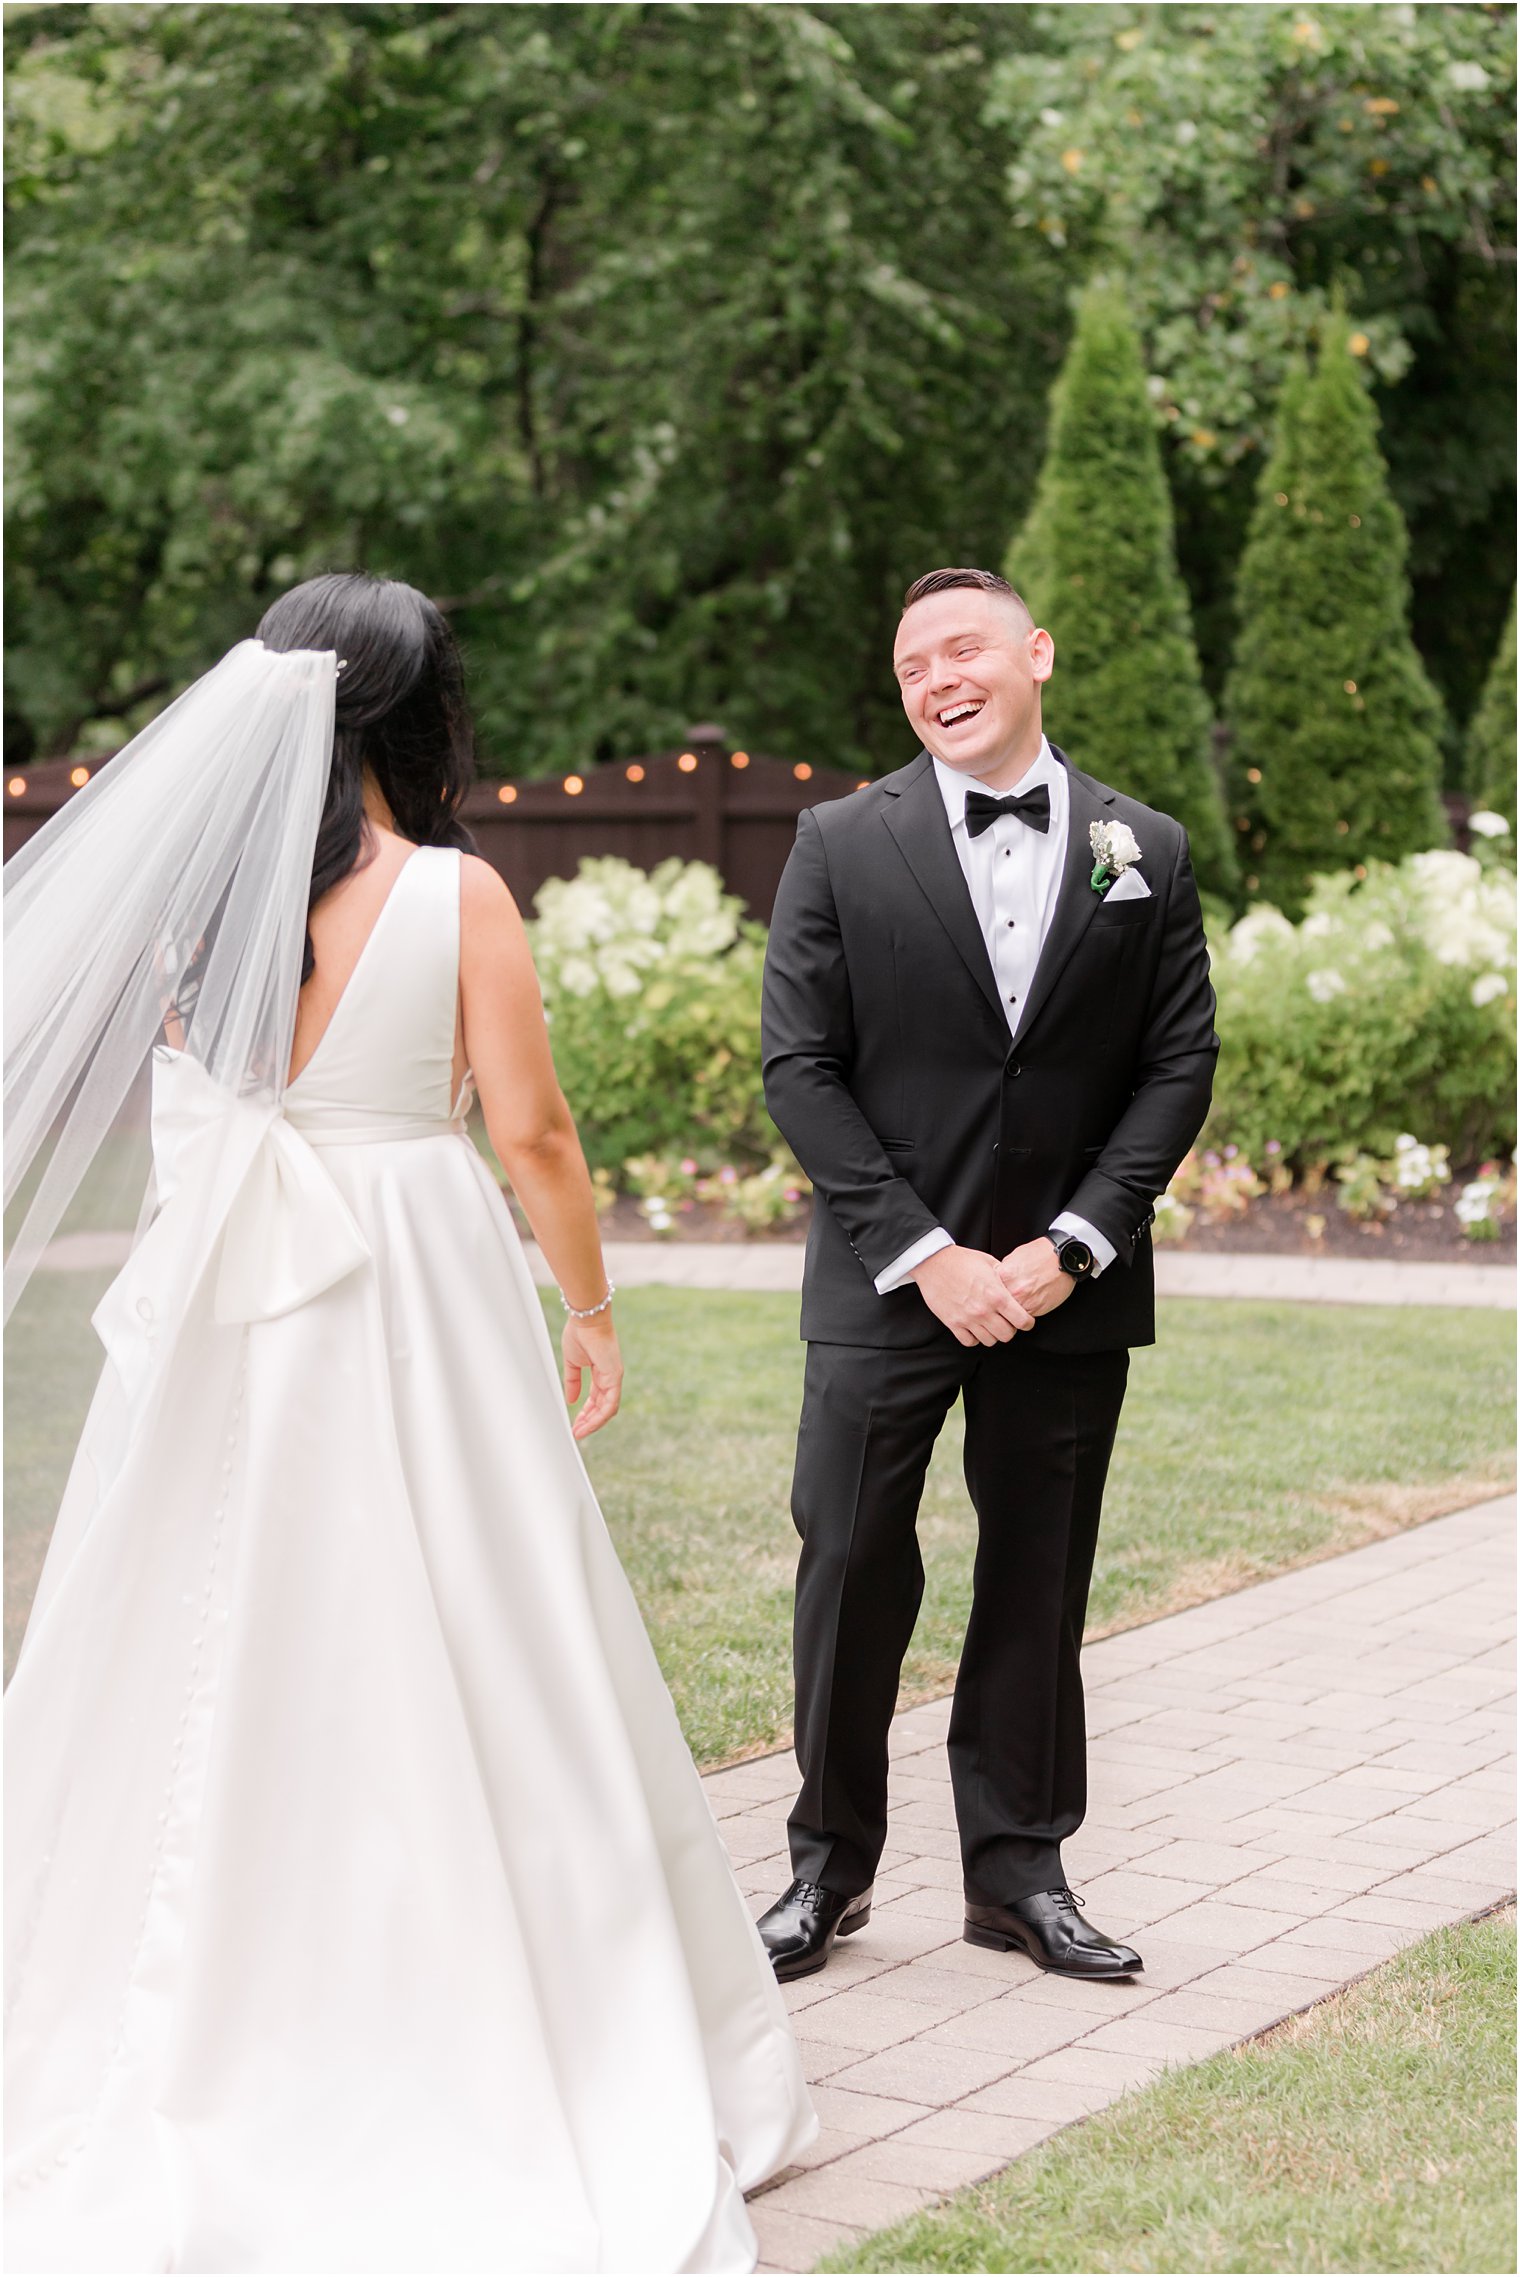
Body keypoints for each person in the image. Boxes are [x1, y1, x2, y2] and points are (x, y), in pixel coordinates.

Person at [3, 575, 815, 2273]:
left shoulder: (199, 912)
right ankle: (498, 2013)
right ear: (417, 712)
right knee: (480, 1618)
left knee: (210, 1636)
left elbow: (207, 1111)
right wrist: (589, 1307)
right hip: (416, 1277)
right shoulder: (455, 893)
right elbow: (533, 1134)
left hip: (243, 1305)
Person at [755, 566, 1218, 1985]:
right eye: (910, 667)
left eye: (963, 649)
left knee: (1039, 1575)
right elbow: (801, 1065)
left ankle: (1020, 1876)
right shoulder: (839, 840)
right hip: (890, 1282)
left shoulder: (1145, 844)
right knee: (849, 1563)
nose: (937, 679)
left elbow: (1175, 1061)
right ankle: (824, 1871)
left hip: (1063, 1291)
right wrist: (926, 1253)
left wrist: (1077, 1241)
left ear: (1036, 654)